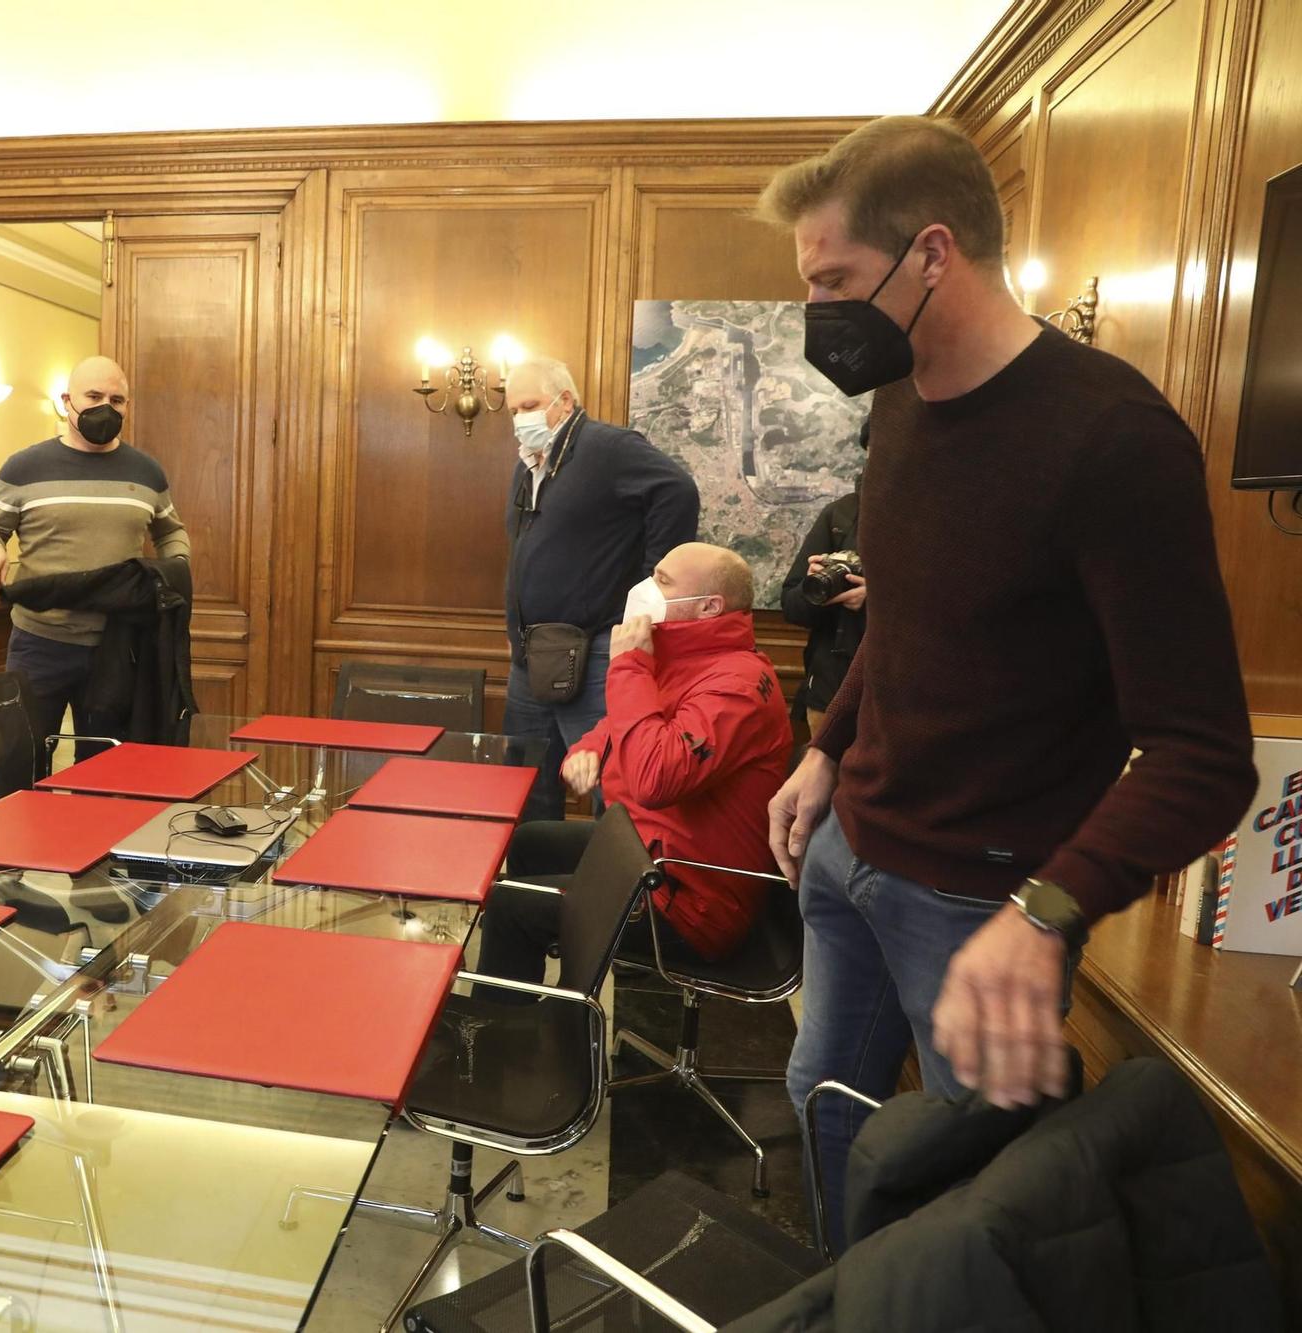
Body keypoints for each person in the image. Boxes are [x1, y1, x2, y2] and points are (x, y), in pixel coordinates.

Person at [757, 116, 1256, 1246]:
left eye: (834, 280)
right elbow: (905, 612)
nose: (818, 314)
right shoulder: (898, 404)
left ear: (932, 252)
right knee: (823, 1112)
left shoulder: (1112, 440)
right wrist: (823, 749)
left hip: (979, 905)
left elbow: (1203, 754)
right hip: (847, 855)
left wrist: (1044, 912)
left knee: (985, 1212)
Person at [478, 543, 790, 990]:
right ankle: (566, 979)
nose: (644, 590)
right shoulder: (684, 660)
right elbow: (617, 726)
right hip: (647, 851)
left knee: (510, 905)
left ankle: (512, 1045)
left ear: (708, 607)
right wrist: (585, 750)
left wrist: (627, 666)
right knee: (532, 842)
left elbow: (652, 779)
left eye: (662, 581)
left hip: (691, 902)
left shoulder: (735, 687)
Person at [0, 355, 191, 799]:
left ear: (128, 406)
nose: (105, 407)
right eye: (94, 397)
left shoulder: (146, 472)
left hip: (117, 648)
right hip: (39, 645)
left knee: (106, 769)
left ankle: (93, 863)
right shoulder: (24, 467)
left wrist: (174, 574)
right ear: (67, 400)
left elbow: (171, 531)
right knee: (21, 761)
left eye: (116, 399)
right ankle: (10, 866)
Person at [502, 356, 700, 823]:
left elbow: (678, 490)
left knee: (608, 787)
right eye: (513, 410)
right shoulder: (527, 466)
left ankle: (604, 893)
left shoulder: (607, 447)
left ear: (565, 401)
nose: (520, 418)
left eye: (530, 405)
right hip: (531, 655)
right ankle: (531, 889)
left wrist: (651, 593)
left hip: (594, 652)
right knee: (523, 788)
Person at [780, 418, 868, 737]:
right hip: (832, 686)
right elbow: (792, 606)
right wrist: (816, 589)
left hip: (903, 692)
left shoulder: (934, 516)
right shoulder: (840, 515)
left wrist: (873, 599)